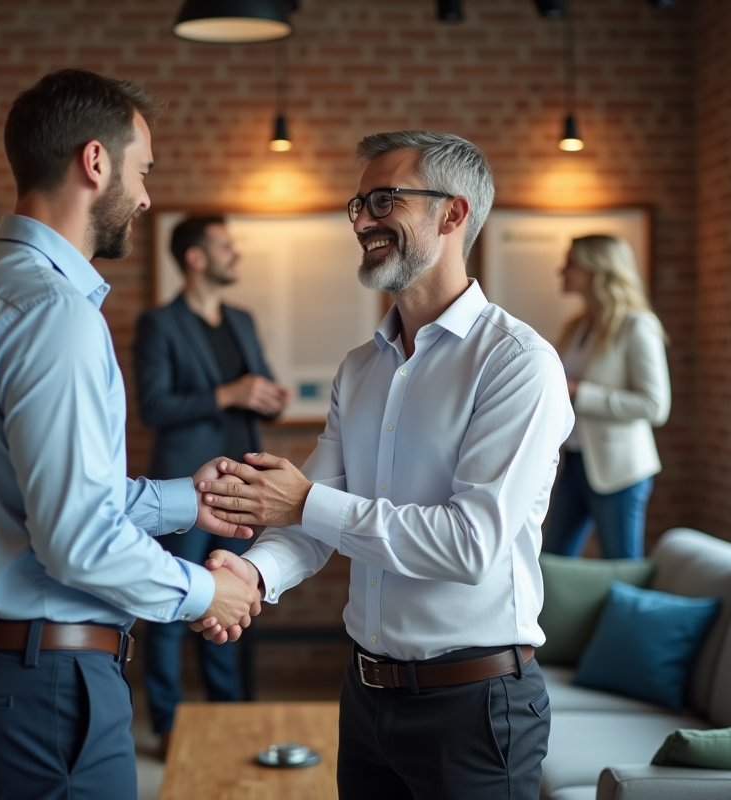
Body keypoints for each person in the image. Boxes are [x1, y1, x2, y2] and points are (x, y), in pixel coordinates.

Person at [193, 130, 575, 800]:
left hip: (477, 709)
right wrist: (253, 572)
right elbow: (315, 517)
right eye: (358, 205)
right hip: (366, 699)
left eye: (383, 200)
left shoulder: (518, 364)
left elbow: (469, 545)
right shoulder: (361, 368)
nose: (363, 220)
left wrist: (304, 503)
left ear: (453, 214)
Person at [0, 69, 259, 800]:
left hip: (3, 673)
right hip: (47, 684)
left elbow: (48, 504)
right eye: (144, 171)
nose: (146, 196)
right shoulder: (52, 311)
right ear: (95, 163)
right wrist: (204, 593)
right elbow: (75, 538)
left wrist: (181, 503)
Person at [134, 215, 288, 756]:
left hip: (241, 486)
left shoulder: (242, 320)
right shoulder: (159, 323)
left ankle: (228, 718)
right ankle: (168, 725)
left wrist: (267, 395)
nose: (235, 254)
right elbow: (153, 407)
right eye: (225, 245)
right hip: (187, 492)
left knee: (234, 600)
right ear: (196, 257)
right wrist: (230, 393)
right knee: (173, 607)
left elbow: (256, 385)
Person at [542, 234, 671, 559]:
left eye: (571, 263)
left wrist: (579, 392)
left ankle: (629, 613)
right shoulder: (576, 326)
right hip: (574, 462)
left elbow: (655, 406)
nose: (562, 271)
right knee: (554, 561)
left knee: (622, 563)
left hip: (620, 471)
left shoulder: (637, 325)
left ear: (596, 269)